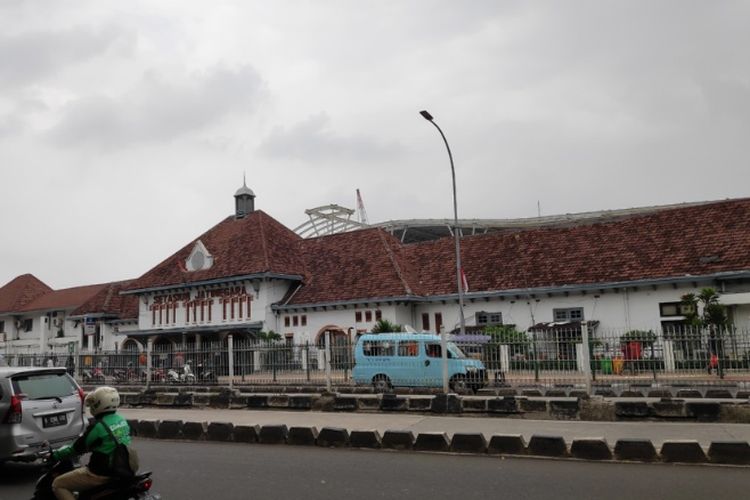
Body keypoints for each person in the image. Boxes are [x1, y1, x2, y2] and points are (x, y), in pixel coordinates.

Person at [51, 386, 138, 500]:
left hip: (101, 474)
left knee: (58, 484)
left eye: (93, 403)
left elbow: (76, 448)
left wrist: (55, 455)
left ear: (98, 404)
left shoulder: (98, 427)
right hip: (125, 468)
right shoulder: (121, 420)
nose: (91, 406)